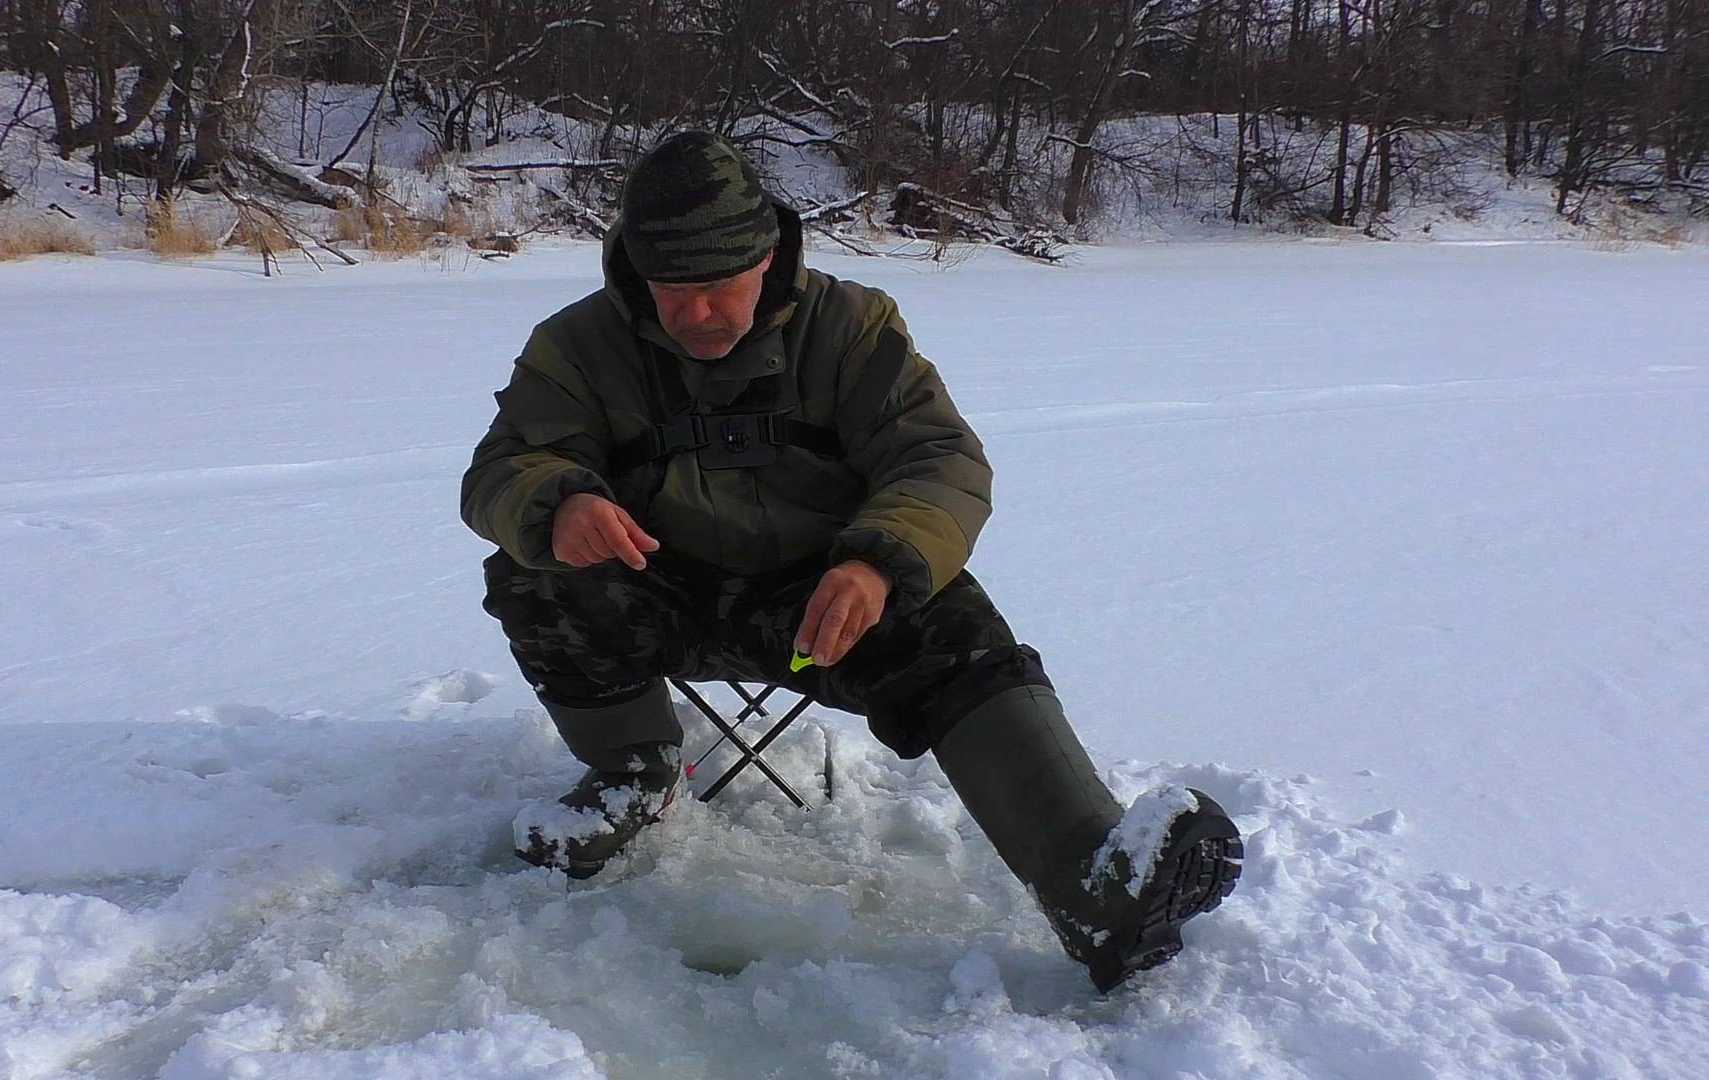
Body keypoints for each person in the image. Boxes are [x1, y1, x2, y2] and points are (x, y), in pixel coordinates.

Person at [460, 131, 1241, 992]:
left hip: (819, 610)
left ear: (768, 257)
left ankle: (1097, 887)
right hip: (655, 594)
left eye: (719, 288)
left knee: (953, 621)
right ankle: (630, 773)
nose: (696, 316)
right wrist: (558, 503)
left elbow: (939, 461)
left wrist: (877, 563)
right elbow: (502, 470)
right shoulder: (577, 344)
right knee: (531, 569)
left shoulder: (852, 327)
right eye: (671, 291)